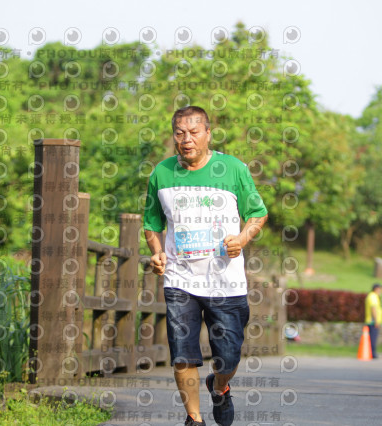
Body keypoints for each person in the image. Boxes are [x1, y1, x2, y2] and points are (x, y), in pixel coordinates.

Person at [143, 106, 268, 426]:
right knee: (183, 354)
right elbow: (152, 223)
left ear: (208, 134)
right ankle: (194, 419)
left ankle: (220, 385)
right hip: (180, 279)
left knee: (229, 356)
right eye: (179, 133)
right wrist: (157, 252)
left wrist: (243, 237)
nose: (186, 140)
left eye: (194, 132)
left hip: (226, 280)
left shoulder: (233, 168)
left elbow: (258, 214)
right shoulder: (161, 173)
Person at [365, 283, 382, 359]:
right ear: (376, 289)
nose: (381, 290)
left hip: (373, 321)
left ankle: (372, 352)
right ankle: (373, 353)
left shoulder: (373, 296)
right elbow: (373, 308)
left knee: (372, 338)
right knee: (373, 338)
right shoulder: (373, 296)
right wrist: (376, 321)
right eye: (380, 289)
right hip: (372, 321)